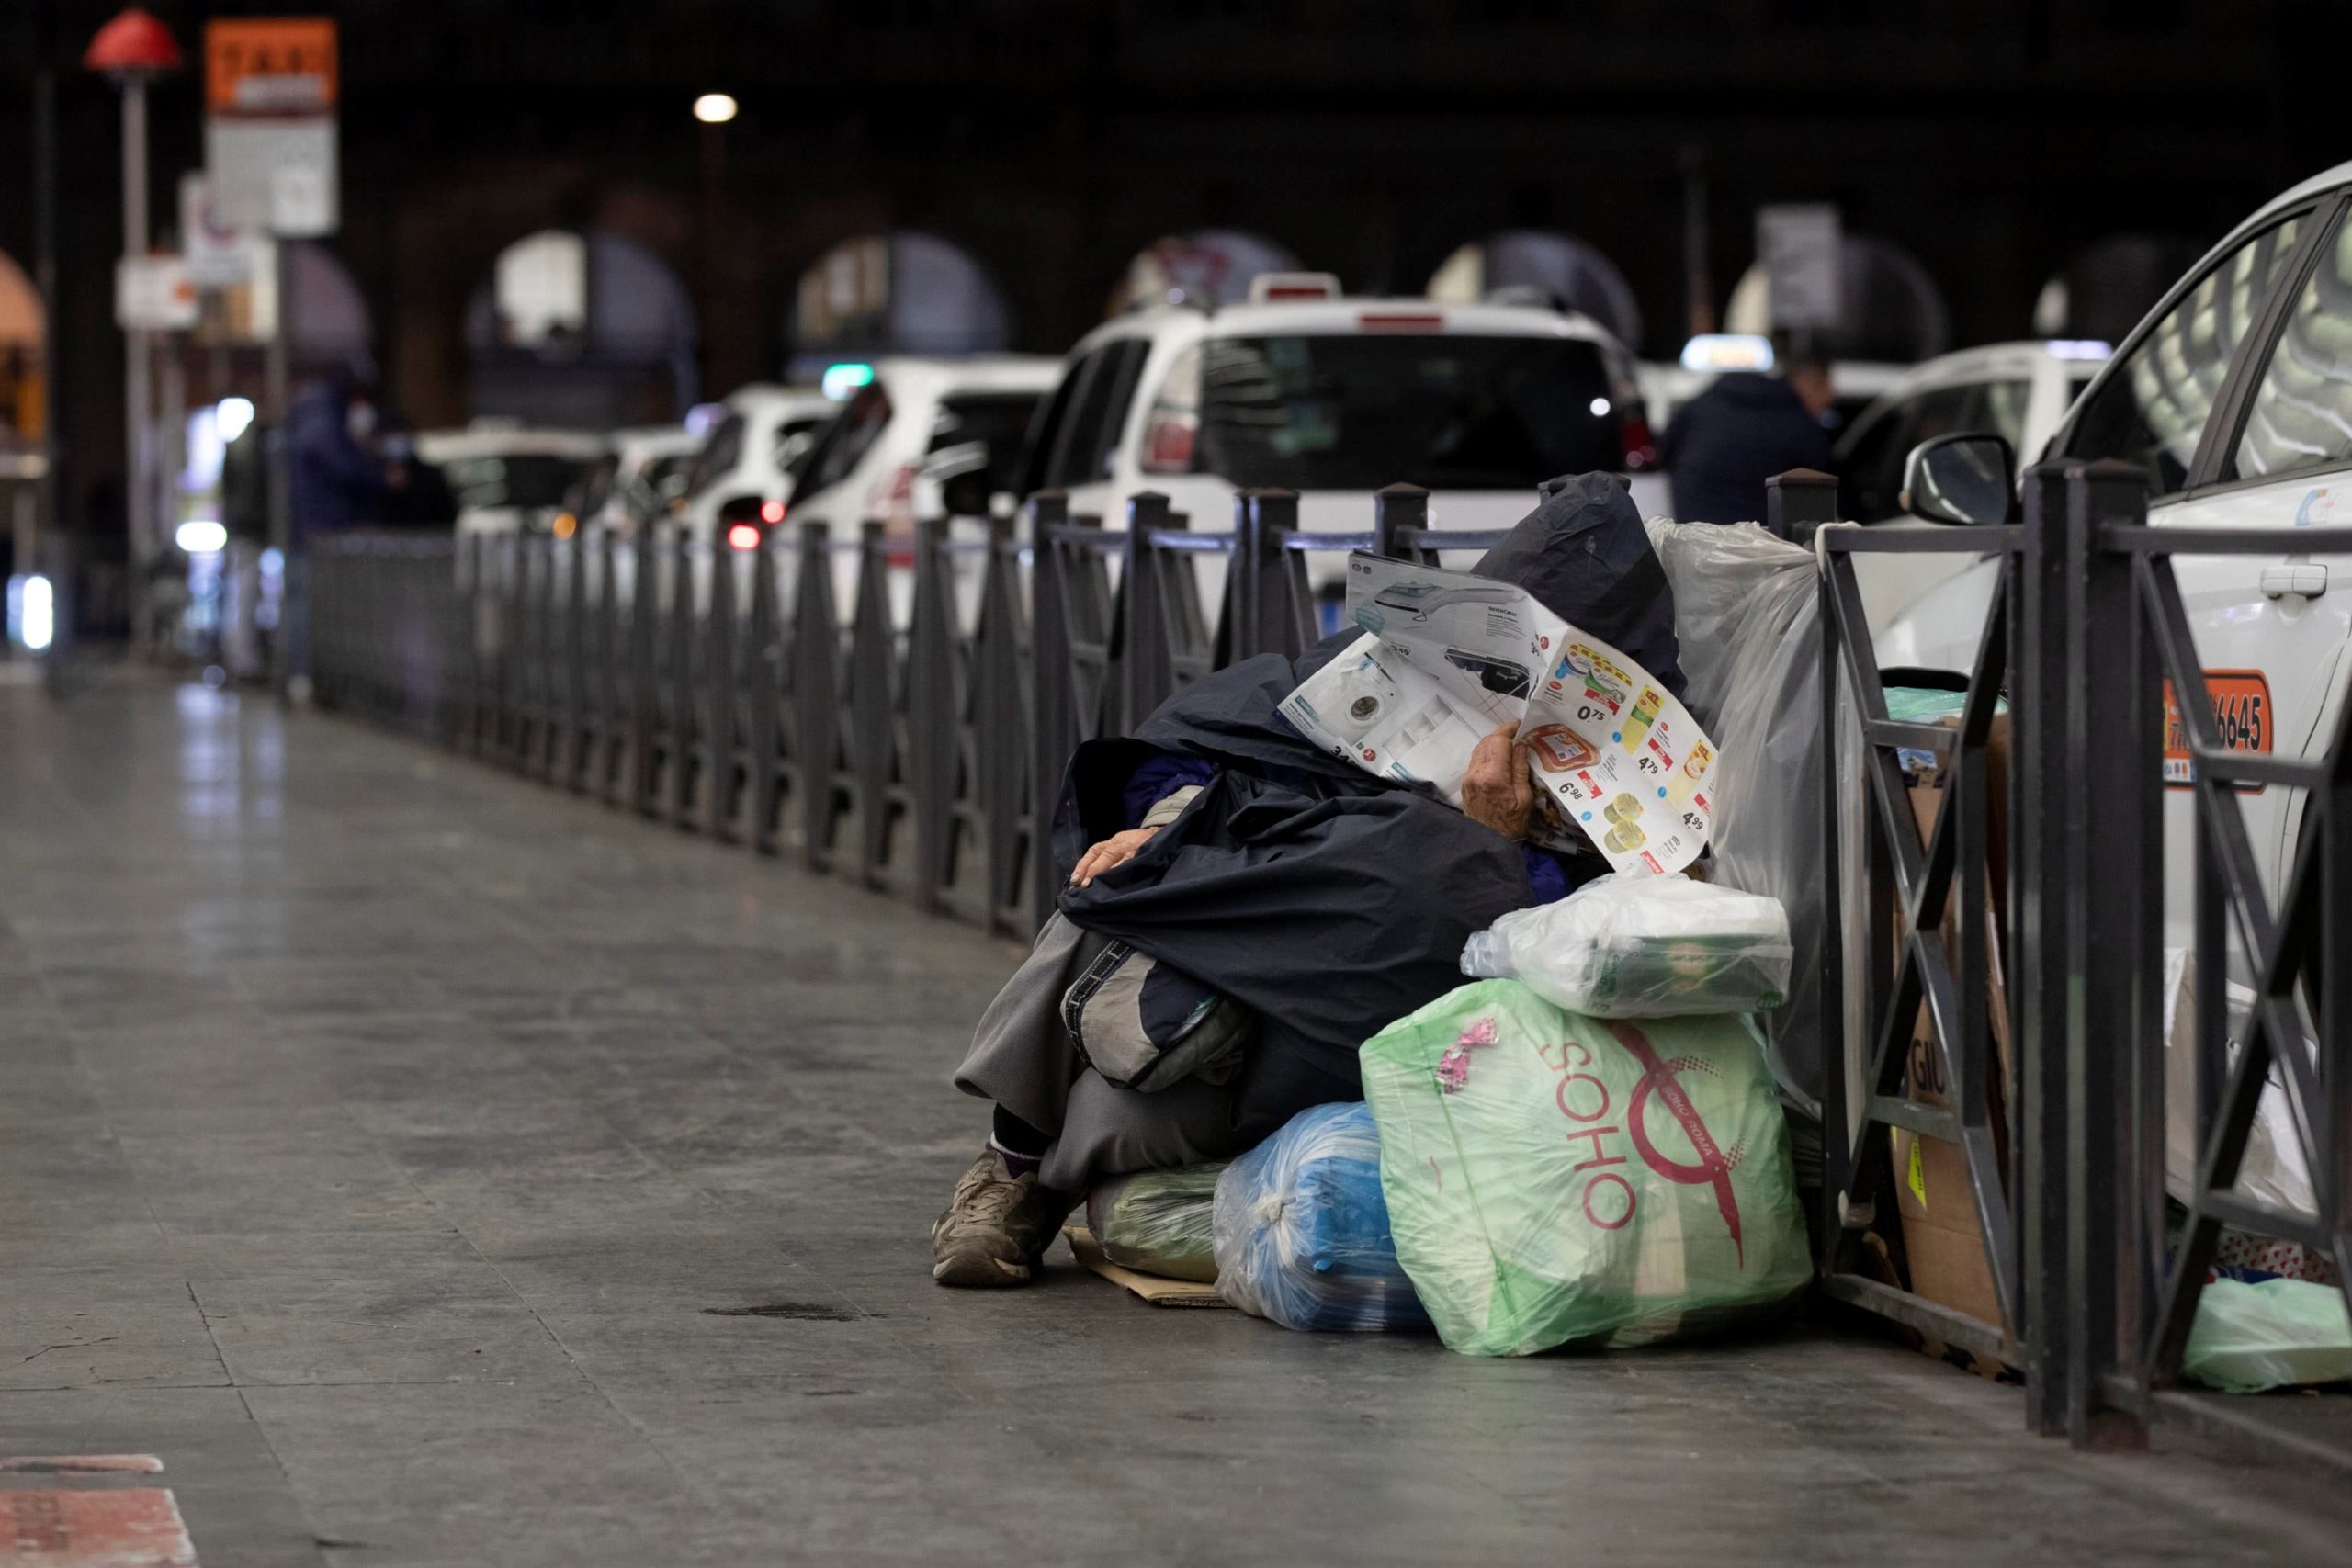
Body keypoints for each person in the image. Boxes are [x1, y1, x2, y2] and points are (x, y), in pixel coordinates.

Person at [931, 472, 1684, 1287]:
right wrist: (1160, 827)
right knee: (1111, 890)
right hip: (1240, 912)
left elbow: (1506, 945)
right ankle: (1010, 1168)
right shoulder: (1368, 666)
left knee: (1116, 1107)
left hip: (1325, 1025)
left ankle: (1041, 1160)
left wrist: (1492, 835)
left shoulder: (1611, 816)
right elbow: (1201, 743)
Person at [283, 364, 384, 686]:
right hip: (322, 528)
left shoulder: (309, 418)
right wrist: (376, 473)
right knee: (313, 607)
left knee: (307, 605)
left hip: (308, 528)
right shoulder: (324, 423)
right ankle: (308, 675)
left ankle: (309, 674)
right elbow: (344, 468)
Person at [1658, 357, 1835, 526]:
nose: (1830, 397)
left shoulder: (1699, 406)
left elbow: (1661, 457)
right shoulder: (1799, 424)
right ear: (1804, 381)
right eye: (1822, 387)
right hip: (1760, 548)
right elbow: (1828, 494)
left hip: (1691, 541)